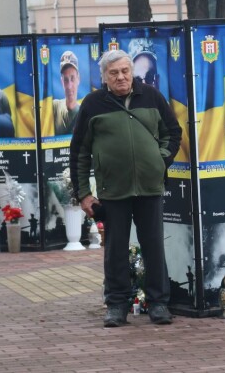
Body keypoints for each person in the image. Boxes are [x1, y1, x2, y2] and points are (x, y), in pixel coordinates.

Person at [70, 49, 183, 327]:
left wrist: (160, 160)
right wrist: (83, 193)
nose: (121, 77)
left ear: (131, 72)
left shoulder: (152, 97)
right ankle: (116, 305)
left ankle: (158, 304)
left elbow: (173, 131)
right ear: (104, 77)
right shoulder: (93, 104)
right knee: (116, 250)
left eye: (125, 71)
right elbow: (79, 151)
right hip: (113, 191)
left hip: (150, 187)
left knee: (154, 246)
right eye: (114, 73)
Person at [52, 51, 82, 135]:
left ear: (78, 79)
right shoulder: (54, 107)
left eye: (72, 78)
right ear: (62, 82)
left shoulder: (85, 112)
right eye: (66, 80)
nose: (69, 86)